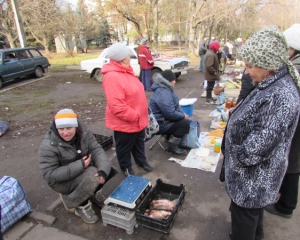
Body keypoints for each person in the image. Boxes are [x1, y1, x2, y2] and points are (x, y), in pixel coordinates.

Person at [220, 26, 300, 240]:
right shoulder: (272, 83)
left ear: (268, 65)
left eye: (249, 66)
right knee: (251, 216)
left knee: (244, 218)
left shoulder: (279, 95)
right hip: (255, 180)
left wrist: (233, 155)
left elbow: (258, 147)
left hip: (253, 180)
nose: (246, 71)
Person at [38, 109, 120, 224]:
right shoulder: (48, 145)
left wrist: (103, 170)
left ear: (75, 126)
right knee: (93, 175)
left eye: (69, 128)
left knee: (107, 170)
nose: (65, 133)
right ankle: (79, 205)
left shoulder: (84, 133)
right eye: (61, 129)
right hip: (62, 181)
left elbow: (96, 149)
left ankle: (92, 193)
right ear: (56, 128)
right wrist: (80, 165)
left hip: (82, 170)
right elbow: (49, 175)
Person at [264, 23, 300, 219]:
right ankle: (284, 199)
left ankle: (286, 206)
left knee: (293, 162)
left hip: (296, 123)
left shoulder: (296, 68)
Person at [101, 42, 152, 176]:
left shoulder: (126, 71)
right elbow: (116, 105)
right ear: (123, 58)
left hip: (138, 119)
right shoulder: (113, 76)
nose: (130, 57)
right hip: (127, 121)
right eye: (129, 55)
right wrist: (134, 116)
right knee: (124, 148)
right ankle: (126, 168)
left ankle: (141, 161)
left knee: (138, 144)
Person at [149, 70, 190, 155]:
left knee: (183, 119)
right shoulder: (163, 92)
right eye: (174, 79)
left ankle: (169, 137)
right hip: (160, 124)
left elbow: (176, 106)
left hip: (164, 120)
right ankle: (172, 147)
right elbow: (170, 114)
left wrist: (182, 114)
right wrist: (183, 116)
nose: (175, 81)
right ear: (168, 81)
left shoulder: (165, 89)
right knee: (185, 123)